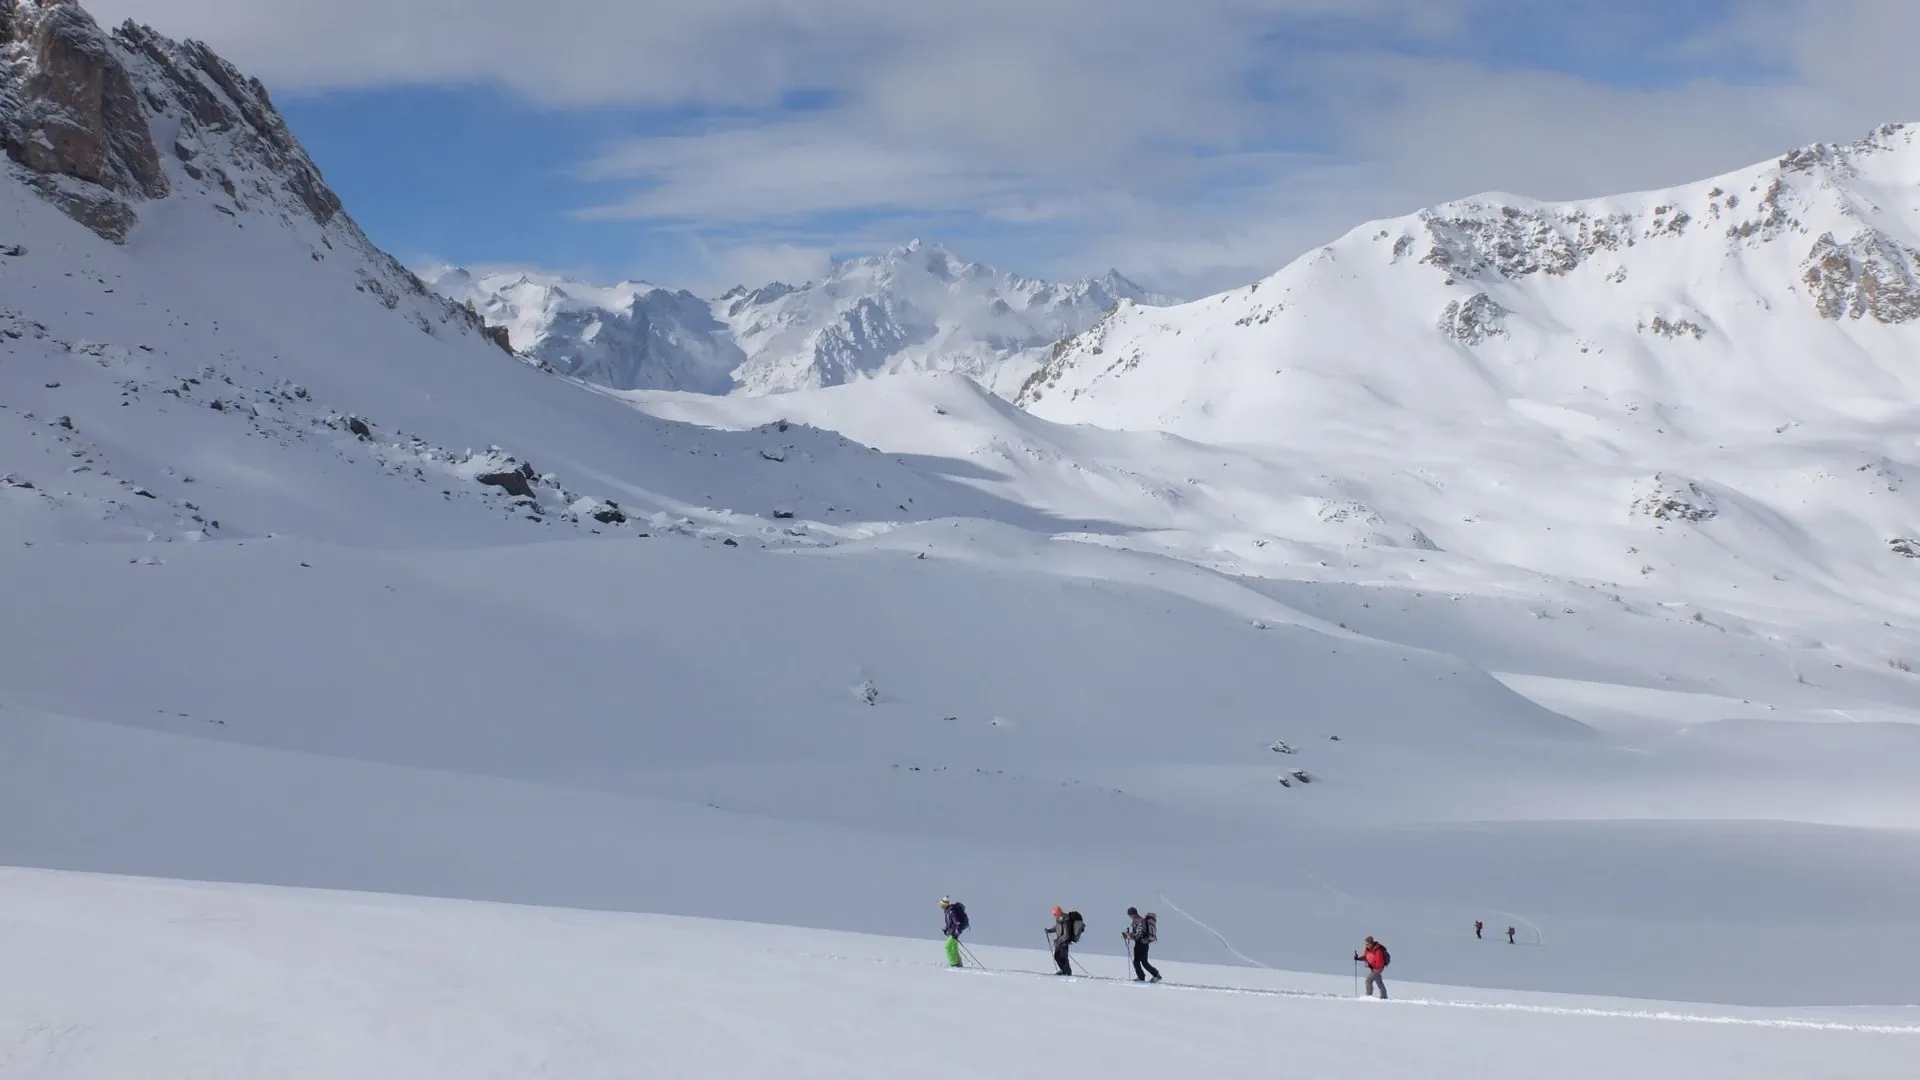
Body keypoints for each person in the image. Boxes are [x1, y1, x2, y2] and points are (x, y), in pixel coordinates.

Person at [1122, 907, 1161, 982]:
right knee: (1144, 962)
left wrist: (1128, 936)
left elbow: (1139, 934)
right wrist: (1128, 935)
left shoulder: (1139, 921)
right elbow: (1137, 933)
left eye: (1129, 915)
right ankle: (1155, 975)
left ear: (1132, 914)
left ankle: (1143, 977)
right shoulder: (1139, 920)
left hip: (1141, 944)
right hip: (1143, 943)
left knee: (1137, 961)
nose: (1129, 917)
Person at [1045, 906, 1077, 975]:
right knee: (1058, 956)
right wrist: (1049, 930)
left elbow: (1066, 934)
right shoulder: (1060, 920)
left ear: (1058, 912)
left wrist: (1059, 940)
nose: (1054, 916)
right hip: (1060, 942)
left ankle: (1067, 972)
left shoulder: (1065, 920)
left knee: (1063, 957)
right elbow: (1056, 927)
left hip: (1063, 942)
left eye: (1055, 914)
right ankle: (1064, 970)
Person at [939, 897, 968, 968]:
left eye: (942, 905)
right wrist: (946, 930)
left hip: (954, 932)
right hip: (953, 932)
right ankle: (958, 963)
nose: (941, 906)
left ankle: (954, 964)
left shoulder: (951, 912)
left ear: (945, 905)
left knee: (947, 947)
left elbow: (956, 922)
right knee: (954, 947)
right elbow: (949, 923)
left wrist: (956, 931)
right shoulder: (948, 911)